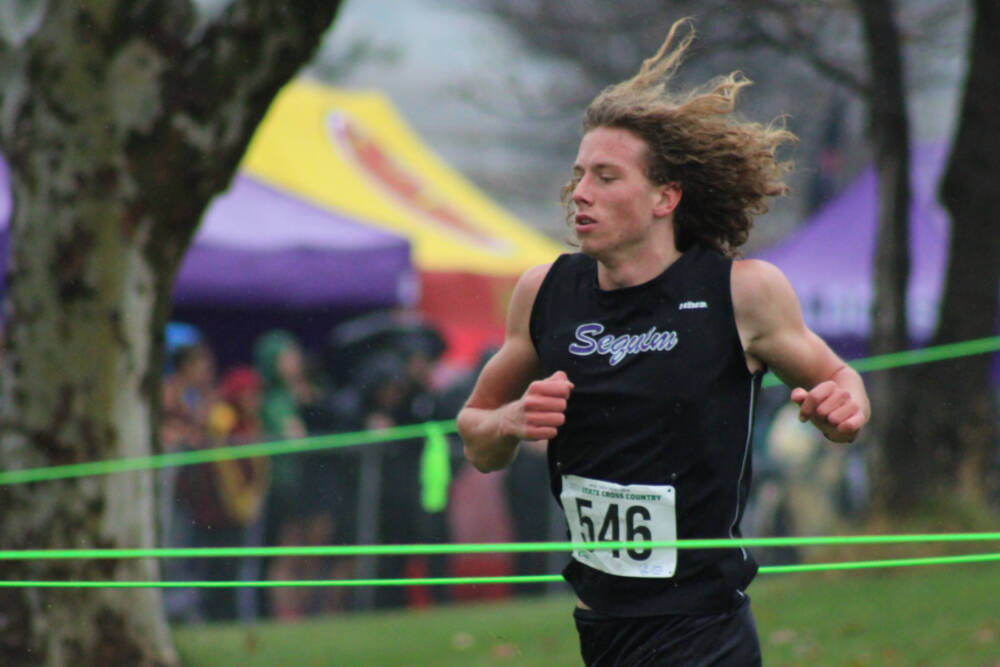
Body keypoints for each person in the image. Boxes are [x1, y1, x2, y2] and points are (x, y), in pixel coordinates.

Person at [456, 19, 870, 667]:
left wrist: (845, 409)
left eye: (606, 177)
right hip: (602, 627)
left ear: (665, 197)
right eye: (578, 175)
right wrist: (509, 421)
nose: (580, 194)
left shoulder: (742, 293)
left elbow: (842, 380)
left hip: (704, 629)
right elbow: (476, 434)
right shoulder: (544, 293)